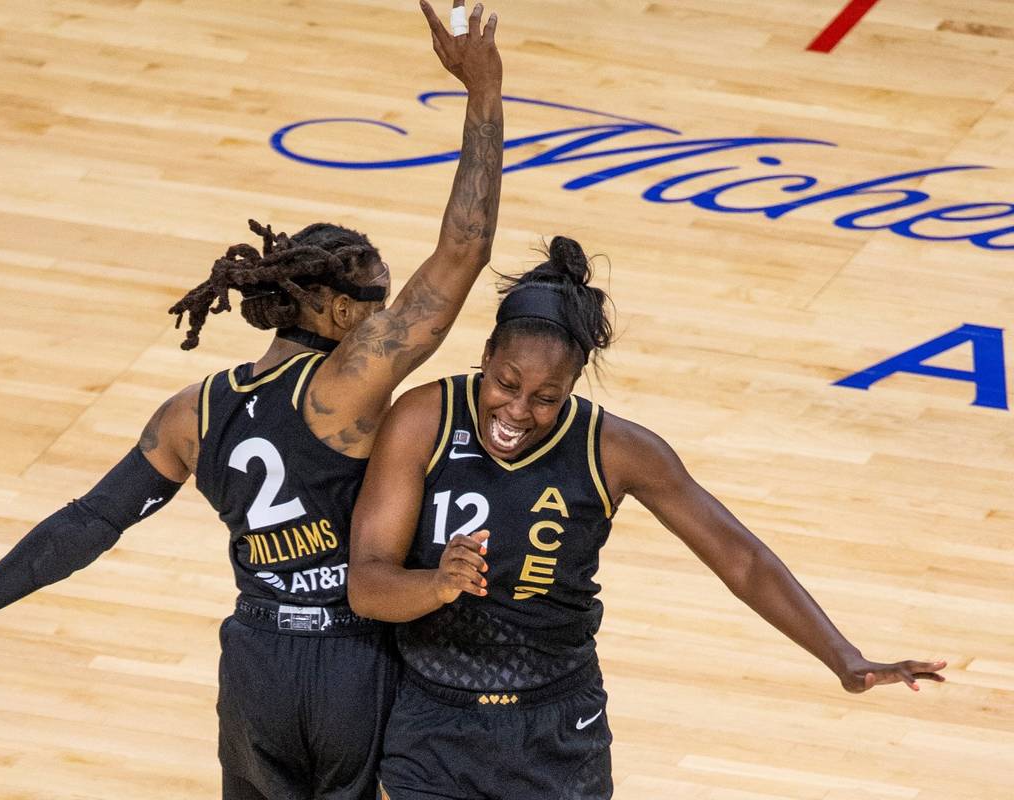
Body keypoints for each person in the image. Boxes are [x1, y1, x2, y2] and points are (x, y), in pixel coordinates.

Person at [0, 3, 504, 798]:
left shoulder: (194, 410)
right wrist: (485, 94)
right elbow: (464, 246)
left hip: (255, 663)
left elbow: (93, 520)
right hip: (349, 658)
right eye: (375, 300)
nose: (386, 315)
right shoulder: (349, 380)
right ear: (329, 309)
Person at [348, 235, 948, 800]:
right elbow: (368, 585)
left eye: (547, 397)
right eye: (506, 384)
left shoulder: (617, 450)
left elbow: (742, 560)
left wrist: (843, 657)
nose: (519, 410)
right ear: (486, 356)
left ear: (575, 385)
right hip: (432, 720)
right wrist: (437, 583)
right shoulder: (424, 417)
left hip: (556, 725)